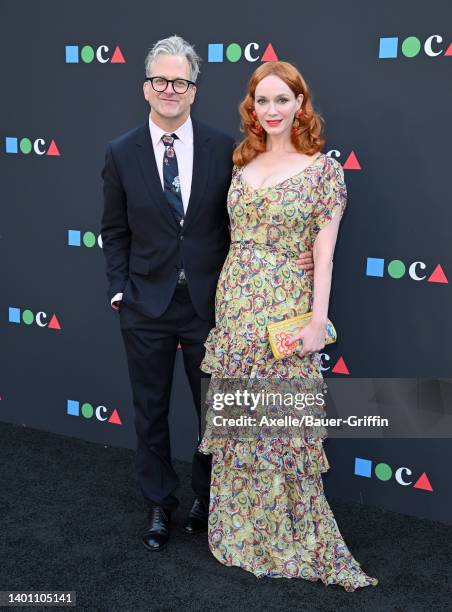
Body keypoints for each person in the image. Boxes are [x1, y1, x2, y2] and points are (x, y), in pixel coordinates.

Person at [100, 36, 315, 551]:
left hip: (213, 307)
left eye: (181, 82)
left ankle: (205, 497)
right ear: (145, 88)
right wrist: (118, 290)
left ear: (194, 91)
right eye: (160, 81)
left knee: (215, 413)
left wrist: (297, 254)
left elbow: (262, 210)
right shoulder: (119, 151)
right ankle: (158, 504)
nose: (169, 90)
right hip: (145, 305)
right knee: (150, 410)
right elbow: (113, 228)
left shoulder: (228, 149)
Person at [198, 61, 379, 591]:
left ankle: (291, 533)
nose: (271, 110)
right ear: (251, 109)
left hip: (286, 312)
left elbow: (324, 257)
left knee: (282, 425)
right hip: (234, 308)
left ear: (301, 104)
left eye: (283, 99)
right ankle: (240, 528)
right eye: (262, 101)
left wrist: (319, 322)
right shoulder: (241, 165)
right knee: (241, 421)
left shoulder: (324, 171)